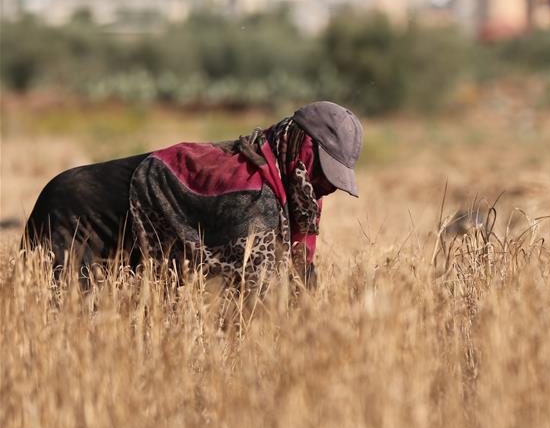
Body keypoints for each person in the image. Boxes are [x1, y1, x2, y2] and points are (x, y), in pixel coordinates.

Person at [23, 101, 363, 288]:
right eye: (322, 171)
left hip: (116, 221)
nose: (328, 186)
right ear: (301, 153)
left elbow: (296, 278)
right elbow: (251, 303)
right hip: (76, 211)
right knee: (71, 329)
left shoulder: (287, 183)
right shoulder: (251, 197)